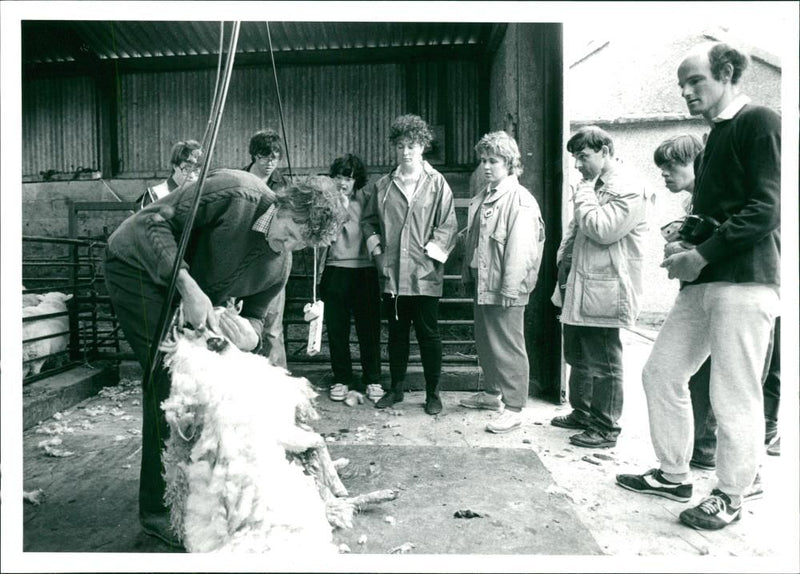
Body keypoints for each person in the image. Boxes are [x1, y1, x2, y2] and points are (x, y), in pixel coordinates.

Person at [104, 169, 348, 546]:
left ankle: (196, 495)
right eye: (290, 232)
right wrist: (188, 287)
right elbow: (148, 222)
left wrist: (246, 333)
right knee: (170, 381)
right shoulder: (237, 194)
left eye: (300, 245)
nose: (287, 245)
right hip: (136, 267)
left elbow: (255, 320)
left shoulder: (278, 267)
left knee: (207, 391)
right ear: (286, 205)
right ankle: (158, 509)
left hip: (189, 296)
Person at [616, 42, 780, 532]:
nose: (686, 92)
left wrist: (702, 254)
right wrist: (685, 240)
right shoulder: (713, 138)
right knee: (661, 372)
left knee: (735, 394)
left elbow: (768, 207)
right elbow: (720, 212)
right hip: (706, 281)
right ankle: (673, 474)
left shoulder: (761, 122)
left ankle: (730, 494)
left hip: (745, 281)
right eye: (682, 85)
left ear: (727, 73)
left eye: (696, 82)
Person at [549, 126, 652, 448]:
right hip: (583, 284)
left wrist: (582, 193)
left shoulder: (628, 187)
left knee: (604, 360)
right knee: (578, 353)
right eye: (575, 158)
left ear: (605, 151)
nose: (578, 164)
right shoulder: (596, 185)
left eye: (583, 156)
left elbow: (601, 229)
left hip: (607, 290)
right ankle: (583, 412)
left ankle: (606, 427)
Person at [361, 114, 458, 415]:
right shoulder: (384, 186)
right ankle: (397, 388)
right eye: (401, 145)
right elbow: (369, 222)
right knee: (397, 335)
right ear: (395, 147)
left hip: (424, 274)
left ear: (423, 147)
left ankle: (433, 392)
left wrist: (429, 258)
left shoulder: (437, 183)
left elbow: (449, 225)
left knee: (429, 335)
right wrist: (378, 255)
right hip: (392, 276)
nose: (406, 152)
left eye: (412, 145)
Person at [458, 131, 545, 433]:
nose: (486, 166)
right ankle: (493, 394)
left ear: (509, 163)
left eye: (493, 160)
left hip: (505, 285)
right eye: (483, 160)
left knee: (508, 345)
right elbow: (474, 241)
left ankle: (515, 407)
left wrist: (511, 287)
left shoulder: (519, 200)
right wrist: (467, 275)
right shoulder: (484, 195)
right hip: (485, 281)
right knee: (485, 341)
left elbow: (522, 249)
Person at [319, 153, 384, 404]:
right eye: (338, 177)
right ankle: (342, 378)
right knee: (337, 329)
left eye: (348, 178)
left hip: (365, 269)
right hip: (335, 268)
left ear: (357, 180)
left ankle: (373, 379)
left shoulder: (368, 199)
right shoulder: (326, 202)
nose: (342, 183)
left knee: (369, 327)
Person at [242, 129, 290, 368]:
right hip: (240, 261)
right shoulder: (239, 179)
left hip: (272, 261)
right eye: (264, 156)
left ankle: (278, 382)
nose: (270, 162)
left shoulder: (284, 184)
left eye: (275, 157)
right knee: (239, 324)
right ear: (253, 155)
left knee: (272, 325)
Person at [138, 140, 202, 209]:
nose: (192, 175)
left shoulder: (201, 196)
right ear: (175, 166)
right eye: (187, 169)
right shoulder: (156, 195)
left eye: (196, 170)